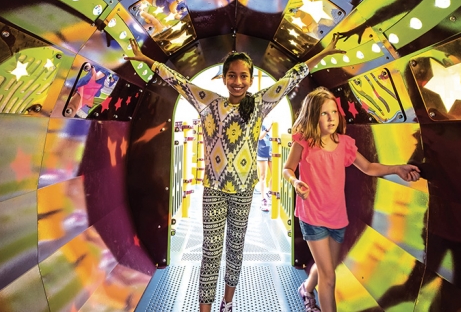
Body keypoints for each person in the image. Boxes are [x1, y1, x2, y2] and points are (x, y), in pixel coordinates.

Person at [125, 35, 345, 312]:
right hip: (214, 190)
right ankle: (205, 309)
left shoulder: (260, 103)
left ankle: (227, 303)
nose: (237, 81)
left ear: (251, 80)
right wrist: (147, 60)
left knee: (235, 251)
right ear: (224, 78)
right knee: (210, 252)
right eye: (232, 75)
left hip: (243, 192)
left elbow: (292, 77)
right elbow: (177, 80)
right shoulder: (209, 102)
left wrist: (323, 54)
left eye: (243, 76)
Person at [282, 87, 421, 312]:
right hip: (312, 216)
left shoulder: (344, 143)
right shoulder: (304, 142)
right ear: (313, 116)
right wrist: (295, 182)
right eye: (324, 114)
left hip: (337, 218)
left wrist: (397, 168)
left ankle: (306, 289)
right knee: (328, 279)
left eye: (334, 112)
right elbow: (287, 169)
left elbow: (368, 167)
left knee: (329, 268)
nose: (331, 118)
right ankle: (312, 294)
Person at [257, 121, 272, 212]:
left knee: (275, 175)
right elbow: (259, 137)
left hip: (272, 150)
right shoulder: (260, 121)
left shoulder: (273, 118)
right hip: (262, 151)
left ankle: (269, 192)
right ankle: (263, 199)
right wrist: (268, 129)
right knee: (263, 176)